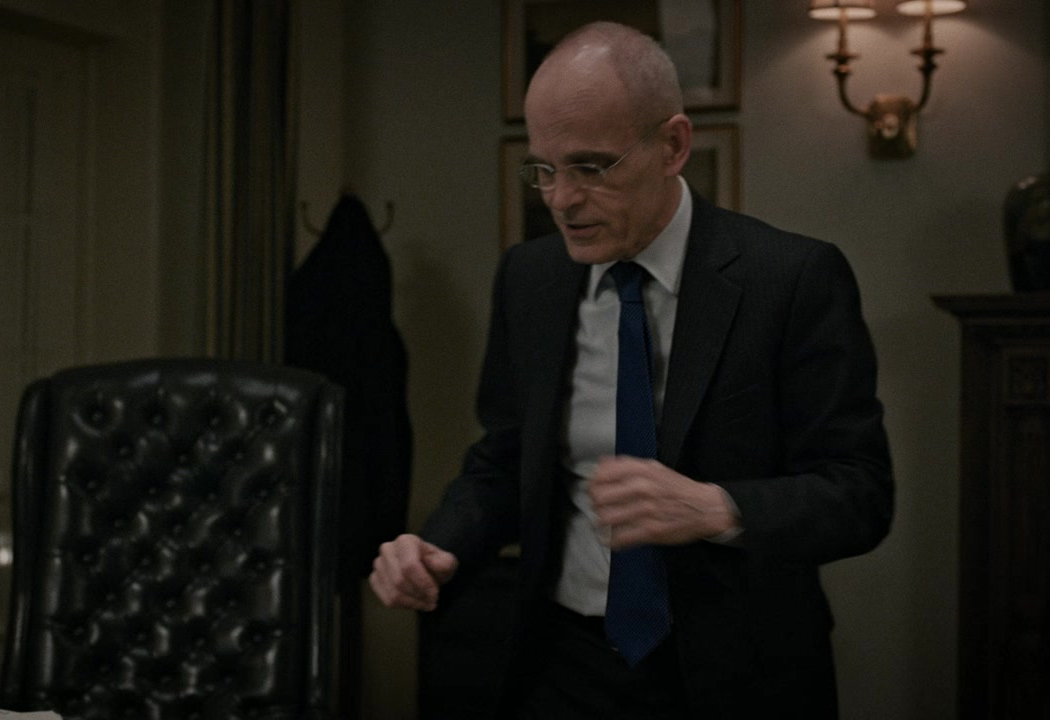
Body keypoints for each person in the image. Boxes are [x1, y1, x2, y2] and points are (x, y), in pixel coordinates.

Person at [369, 21, 893, 719]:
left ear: (673, 145)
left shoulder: (791, 279)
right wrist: (440, 546)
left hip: (741, 670)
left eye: (591, 167)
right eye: (543, 169)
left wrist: (717, 508)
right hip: (564, 661)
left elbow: (860, 494)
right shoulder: (529, 278)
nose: (560, 198)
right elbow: (504, 461)